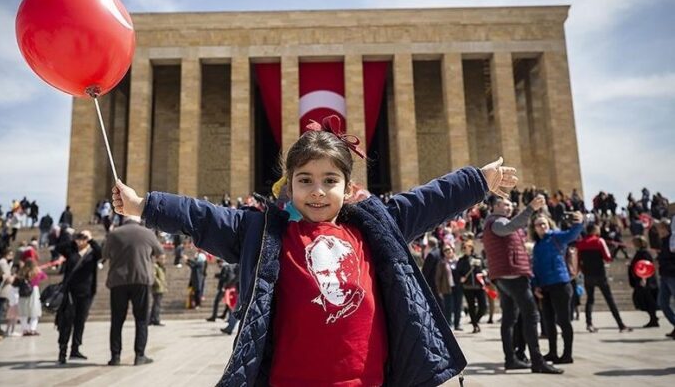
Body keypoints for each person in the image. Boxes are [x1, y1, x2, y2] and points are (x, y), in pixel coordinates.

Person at [111, 114, 518, 385]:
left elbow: (429, 200)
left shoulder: (376, 225)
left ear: (347, 185)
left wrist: (479, 180)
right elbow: (202, 217)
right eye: (305, 180)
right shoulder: (262, 231)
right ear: (290, 185)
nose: (318, 191)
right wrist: (143, 205)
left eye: (329, 180)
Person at [482, 194, 562, 374]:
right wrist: (530, 208)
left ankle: (511, 359)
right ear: (494, 207)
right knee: (531, 315)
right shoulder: (497, 222)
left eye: (510, 205)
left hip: (506, 275)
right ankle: (537, 361)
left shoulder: (496, 222)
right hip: (512, 275)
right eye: (504, 204)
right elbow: (510, 227)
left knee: (510, 317)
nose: (509, 207)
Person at [103, 215, 164, 366]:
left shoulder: (114, 233)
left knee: (117, 320)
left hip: (118, 281)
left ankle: (115, 356)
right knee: (142, 319)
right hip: (141, 280)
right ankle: (140, 356)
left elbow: (104, 254)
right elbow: (160, 251)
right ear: (138, 220)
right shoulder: (147, 233)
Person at [530, 211, 583, 364]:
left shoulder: (556, 237)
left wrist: (579, 222)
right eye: (538, 225)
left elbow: (572, 234)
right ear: (534, 228)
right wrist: (536, 286)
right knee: (548, 321)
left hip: (560, 284)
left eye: (543, 224)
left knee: (563, 320)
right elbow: (536, 268)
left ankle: (567, 354)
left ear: (549, 224)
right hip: (545, 287)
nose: (541, 226)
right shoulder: (537, 245)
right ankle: (552, 352)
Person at [55, 230, 103, 364]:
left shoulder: (92, 253)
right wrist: (73, 238)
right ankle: (62, 350)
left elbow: (101, 253)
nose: (81, 240)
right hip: (70, 292)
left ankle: (75, 349)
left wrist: (91, 239)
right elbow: (59, 247)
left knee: (80, 321)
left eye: (84, 238)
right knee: (66, 321)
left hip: (87, 293)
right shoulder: (71, 251)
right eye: (80, 238)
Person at [576, 223, 632, 333]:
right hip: (600, 274)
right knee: (609, 299)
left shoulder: (580, 243)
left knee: (590, 300)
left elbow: (578, 260)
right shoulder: (599, 241)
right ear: (594, 230)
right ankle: (620, 324)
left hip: (588, 275)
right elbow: (608, 258)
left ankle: (589, 324)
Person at [456, 239, 487, 333]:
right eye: (464, 247)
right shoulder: (461, 260)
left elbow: (484, 268)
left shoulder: (478, 258)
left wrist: (485, 272)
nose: (466, 249)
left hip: (479, 286)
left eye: (468, 247)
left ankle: (475, 321)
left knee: (483, 307)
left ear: (472, 247)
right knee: (471, 306)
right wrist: (461, 278)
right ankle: (475, 325)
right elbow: (457, 273)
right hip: (468, 287)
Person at [651, 218, 675, 339]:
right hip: (665, 275)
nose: (658, 231)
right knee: (662, 303)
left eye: (659, 228)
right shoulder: (664, 241)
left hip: (672, 275)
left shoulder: (672, 240)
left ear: (665, 228)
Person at [628, 235, 659, 328]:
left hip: (645, 281)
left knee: (647, 299)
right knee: (643, 299)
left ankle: (653, 318)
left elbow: (645, 266)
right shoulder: (640, 252)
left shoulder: (643, 253)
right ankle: (653, 318)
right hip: (641, 280)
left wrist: (643, 278)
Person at [15, 259, 47, 336]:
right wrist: (39, 270)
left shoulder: (21, 272)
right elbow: (44, 277)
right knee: (34, 312)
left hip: (23, 292)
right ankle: (32, 329)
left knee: (24, 312)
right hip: (34, 291)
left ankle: (25, 330)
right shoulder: (36, 272)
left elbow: (16, 282)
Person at [435, 245, 463, 330]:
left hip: (458, 287)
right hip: (447, 288)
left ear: (453, 250)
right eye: (445, 250)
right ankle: (448, 324)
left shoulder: (459, 261)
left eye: (449, 250)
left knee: (458, 306)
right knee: (448, 307)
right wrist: (439, 290)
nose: (448, 251)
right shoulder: (442, 263)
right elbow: (438, 277)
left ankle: (457, 324)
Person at [0, 249, 15, 336]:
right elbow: (7, 278)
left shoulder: (4, 262)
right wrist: (14, 277)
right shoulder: (2, 263)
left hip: (4, 289)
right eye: (10, 254)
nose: (12, 256)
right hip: (3, 289)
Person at [149, 253, 167, 326]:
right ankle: (155, 319)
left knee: (156, 304)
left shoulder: (161, 267)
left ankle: (152, 319)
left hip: (161, 288)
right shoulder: (155, 266)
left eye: (164, 259)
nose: (163, 260)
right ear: (157, 259)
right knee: (157, 305)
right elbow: (154, 276)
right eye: (161, 258)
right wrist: (159, 283)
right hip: (157, 288)